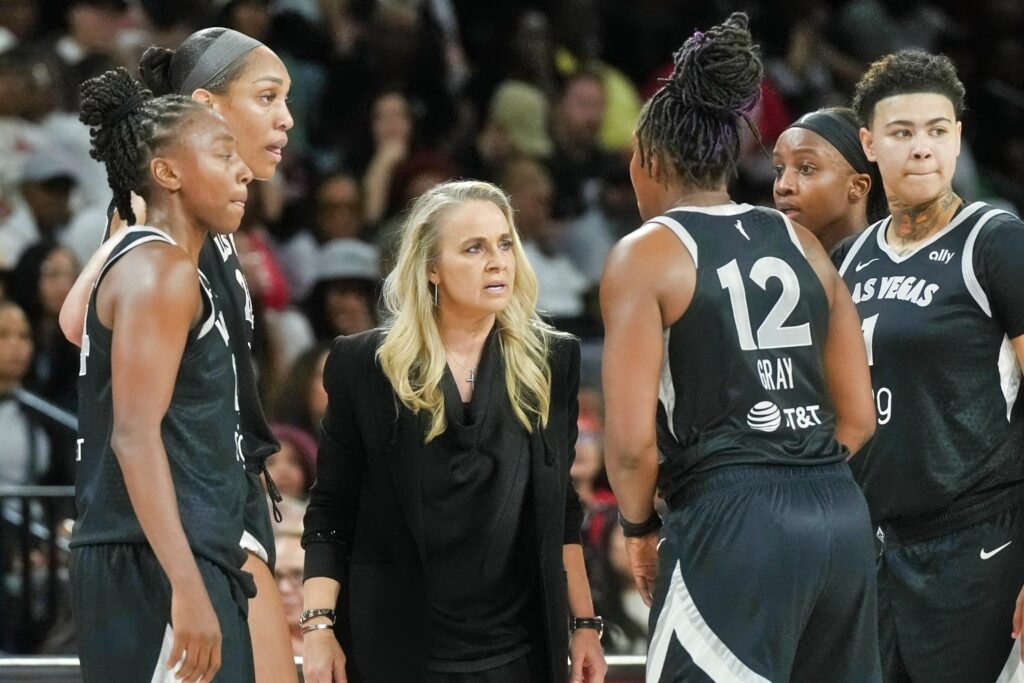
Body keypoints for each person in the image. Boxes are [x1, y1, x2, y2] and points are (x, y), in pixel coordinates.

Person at [600, 13, 880, 682]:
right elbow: (859, 417)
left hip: (732, 517)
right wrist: (795, 472)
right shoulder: (801, 241)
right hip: (840, 518)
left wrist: (638, 530)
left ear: (650, 160)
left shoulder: (645, 253)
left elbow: (632, 446)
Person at [57, 27, 297, 683]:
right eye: (267, 97)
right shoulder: (158, 232)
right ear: (207, 106)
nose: (285, 118)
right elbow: (78, 320)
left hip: (217, 492)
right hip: (178, 510)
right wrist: (131, 229)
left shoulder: (212, 229)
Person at [301, 179, 607, 683]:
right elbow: (332, 508)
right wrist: (318, 627)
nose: (498, 262)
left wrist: (585, 623)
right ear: (431, 269)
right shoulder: (365, 366)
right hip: (396, 652)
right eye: (474, 248)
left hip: (520, 654)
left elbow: (560, 508)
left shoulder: (552, 361)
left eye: (504, 244)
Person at [834, 50, 1024, 682]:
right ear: (868, 143)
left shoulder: (994, 240)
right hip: (876, 548)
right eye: (902, 132)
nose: (922, 148)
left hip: (979, 544)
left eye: (937, 130)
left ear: (958, 137)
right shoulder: (848, 259)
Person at [773, 107, 887, 253]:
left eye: (805, 169)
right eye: (779, 170)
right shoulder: (767, 262)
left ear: (858, 187)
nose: (782, 186)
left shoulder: (896, 264)